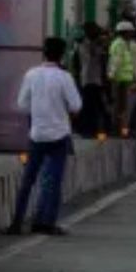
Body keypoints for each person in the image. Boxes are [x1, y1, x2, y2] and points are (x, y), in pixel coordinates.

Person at [8, 36, 81, 236]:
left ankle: (16, 222)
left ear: (44, 53)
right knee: (53, 181)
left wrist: (39, 109)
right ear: (62, 55)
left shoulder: (31, 74)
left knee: (28, 179)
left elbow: (22, 104)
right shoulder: (64, 77)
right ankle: (45, 222)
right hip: (59, 135)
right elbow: (76, 105)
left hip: (37, 134)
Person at [108, 21, 136, 136]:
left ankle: (121, 130)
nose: (131, 33)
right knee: (126, 107)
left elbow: (117, 61)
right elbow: (116, 60)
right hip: (125, 80)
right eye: (130, 32)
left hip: (123, 80)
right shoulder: (122, 45)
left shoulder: (119, 44)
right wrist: (112, 75)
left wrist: (112, 75)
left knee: (121, 107)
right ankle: (123, 131)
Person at [74, 23, 108, 137]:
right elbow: (78, 64)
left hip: (95, 80)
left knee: (95, 106)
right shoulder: (84, 45)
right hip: (88, 80)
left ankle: (93, 129)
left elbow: (102, 62)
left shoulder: (97, 45)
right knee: (89, 106)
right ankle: (87, 129)